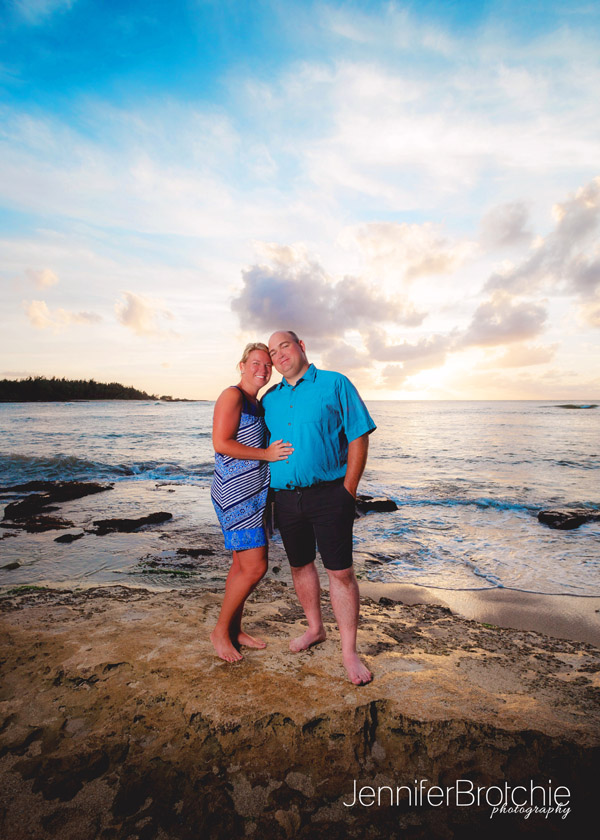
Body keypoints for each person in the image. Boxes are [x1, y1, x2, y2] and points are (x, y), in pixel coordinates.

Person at [263, 330, 376, 685]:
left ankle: (349, 651)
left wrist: (349, 491)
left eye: (284, 345)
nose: (279, 354)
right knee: (300, 566)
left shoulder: (335, 384)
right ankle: (315, 629)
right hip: (285, 497)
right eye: (272, 351)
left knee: (340, 573)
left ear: (301, 347)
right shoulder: (269, 399)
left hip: (330, 494)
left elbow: (359, 434)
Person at [210, 342, 293, 662]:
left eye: (267, 365)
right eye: (255, 362)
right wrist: (266, 455)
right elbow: (221, 443)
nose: (262, 369)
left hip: (255, 491)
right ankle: (219, 631)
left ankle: (234, 630)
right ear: (242, 365)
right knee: (256, 566)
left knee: (241, 565)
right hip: (235, 493)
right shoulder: (231, 396)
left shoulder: (256, 403)